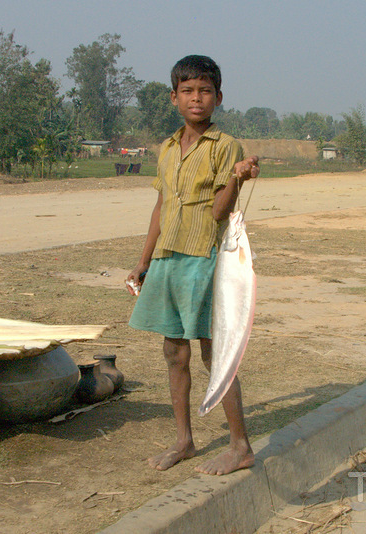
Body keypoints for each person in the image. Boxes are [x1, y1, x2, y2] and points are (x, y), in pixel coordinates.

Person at [125, 55, 258, 476]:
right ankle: (183, 440)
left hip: (204, 259)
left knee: (213, 354)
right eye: (187, 91)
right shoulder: (166, 148)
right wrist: (143, 261)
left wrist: (236, 178)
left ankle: (240, 446)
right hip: (167, 258)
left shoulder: (226, 147)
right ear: (174, 97)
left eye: (204, 91)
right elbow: (161, 205)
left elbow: (220, 213)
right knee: (173, 352)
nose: (196, 98)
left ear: (218, 97)